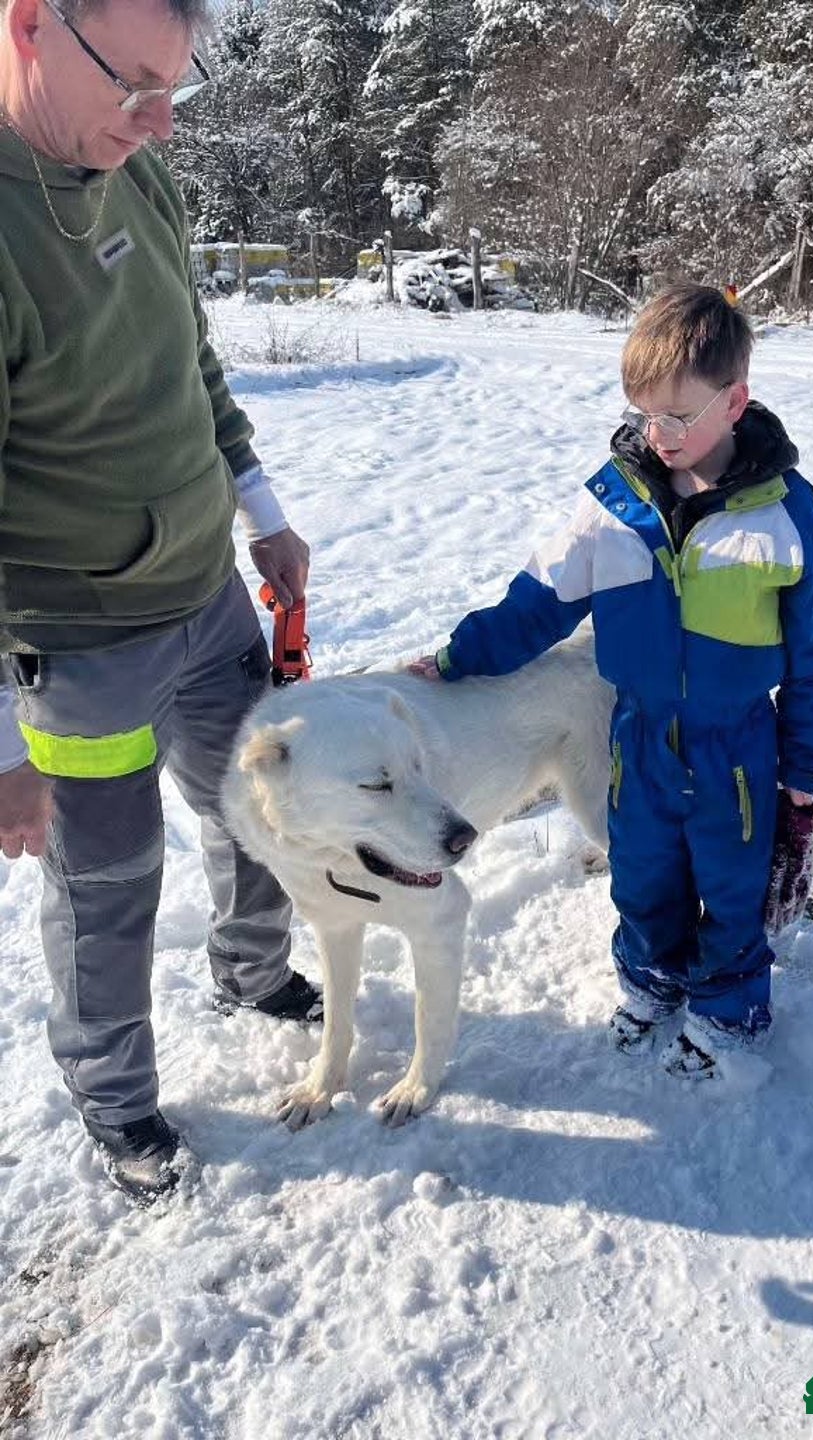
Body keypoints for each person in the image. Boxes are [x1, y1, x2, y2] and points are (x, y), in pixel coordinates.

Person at [0, 0, 321, 1202]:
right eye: (134, 84)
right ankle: (115, 1096)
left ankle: (252, 968)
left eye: (171, 94)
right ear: (31, 24)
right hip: (81, 647)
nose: (155, 125)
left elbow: (193, 362)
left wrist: (264, 508)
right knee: (107, 882)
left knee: (256, 807)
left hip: (209, 597)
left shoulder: (132, 171)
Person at [411, 282, 813, 1077]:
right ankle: (651, 980)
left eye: (679, 417)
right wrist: (454, 657)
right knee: (643, 876)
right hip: (638, 737)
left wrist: (804, 768)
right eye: (646, 414)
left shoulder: (784, 515)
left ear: (735, 400)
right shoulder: (612, 505)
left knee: (735, 890)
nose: (660, 434)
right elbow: (534, 605)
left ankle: (728, 1015)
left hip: (736, 748)